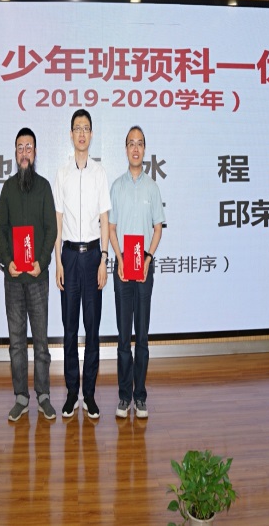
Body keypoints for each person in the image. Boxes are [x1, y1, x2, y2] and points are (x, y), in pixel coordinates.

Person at [0, 127, 58, 421]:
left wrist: (41, 262)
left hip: (37, 278)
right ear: (15, 152)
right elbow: (1, 230)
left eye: (29, 147)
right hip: (13, 280)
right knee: (17, 343)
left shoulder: (44, 187)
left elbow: (51, 230)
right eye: (20, 147)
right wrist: (8, 261)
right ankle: (21, 396)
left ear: (35, 152)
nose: (24, 153)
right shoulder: (7, 188)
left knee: (41, 342)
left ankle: (43, 395)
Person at [53, 109, 111, 420]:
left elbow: (104, 218)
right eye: (77, 128)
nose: (82, 133)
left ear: (91, 134)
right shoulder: (62, 173)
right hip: (69, 256)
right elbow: (58, 220)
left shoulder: (99, 173)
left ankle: (89, 394)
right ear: (71, 134)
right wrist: (58, 262)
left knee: (92, 327)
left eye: (86, 128)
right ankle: (71, 393)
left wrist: (104, 258)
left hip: (92, 257)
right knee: (69, 328)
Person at [108, 126, 164, 419]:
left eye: (140, 143)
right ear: (125, 148)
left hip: (143, 268)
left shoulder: (152, 187)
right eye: (131, 143)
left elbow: (158, 228)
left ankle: (140, 396)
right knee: (123, 339)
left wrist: (148, 259)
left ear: (145, 149)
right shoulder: (116, 186)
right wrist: (119, 259)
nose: (135, 148)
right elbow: (111, 229)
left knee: (141, 336)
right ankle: (123, 397)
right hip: (122, 268)